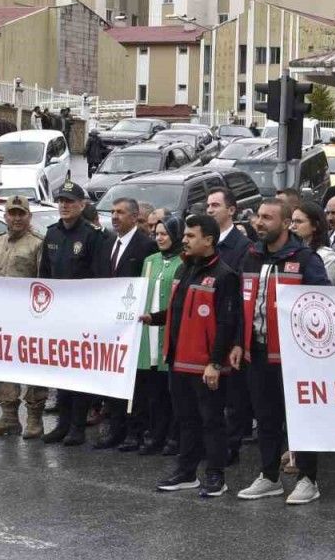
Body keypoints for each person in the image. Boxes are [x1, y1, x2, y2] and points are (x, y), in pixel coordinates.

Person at [235, 199, 330, 505]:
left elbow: (322, 302)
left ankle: (307, 479)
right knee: (266, 417)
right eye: (257, 217)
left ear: (286, 223)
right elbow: (239, 305)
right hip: (258, 352)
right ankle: (269, 476)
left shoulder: (305, 259)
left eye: (267, 218)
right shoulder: (250, 257)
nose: (258, 223)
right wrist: (239, 343)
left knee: (300, 417)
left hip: (294, 356)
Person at [145, 214, 241, 498]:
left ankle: (215, 475)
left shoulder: (225, 276)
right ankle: (187, 473)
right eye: (184, 236)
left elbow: (227, 323)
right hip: (179, 361)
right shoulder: (185, 269)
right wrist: (154, 318)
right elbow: (179, 310)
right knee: (186, 419)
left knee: (211, 421)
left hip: (205, 365)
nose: (183, 240)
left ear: (208, 240)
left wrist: (214, 362)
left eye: (190, 236)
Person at [39, 180, 109, 446]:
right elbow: (44, 274)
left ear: (82, 205)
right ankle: (63, 423)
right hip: (58, 315)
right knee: (60, 371)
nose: (64, 206)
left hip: (83, 315)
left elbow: (100, 277)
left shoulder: (93, 236)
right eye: (61, 201)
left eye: (70, 202)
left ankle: (78, 426)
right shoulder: (52, 234)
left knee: (80, 372)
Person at [0, 196, 46, 440]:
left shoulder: (38, 244)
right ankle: (8, 417)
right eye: (12, 213)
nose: (17, 218)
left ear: (29, 216)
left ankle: (34, 418)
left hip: (29, 318)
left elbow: (43, 281)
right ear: (5, 216)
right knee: (2, 365)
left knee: (33, 366)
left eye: (22, 214)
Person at [97, 197, 160, 451]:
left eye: (120, 212)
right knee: (113, 377)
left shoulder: (146, 246)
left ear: (135, 217)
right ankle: (116, 428)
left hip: (134, 322)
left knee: (136, 382)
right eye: (112, 212)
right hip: (111, 323)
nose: (114, 216)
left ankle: (136, 430)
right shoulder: (109, 243)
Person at [207, 188, 252, 462]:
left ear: (231, 210)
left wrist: (237, 338)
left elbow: (240, 294)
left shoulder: (241, 247)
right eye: (208, 205)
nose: (210, 210)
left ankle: (231, 446)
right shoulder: (207, 242)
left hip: (230, 323)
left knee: (233, 394)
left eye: (216, 205)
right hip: (207, 326)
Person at [135, 215, 183, 456]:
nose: (160, 237)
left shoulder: (184, 261)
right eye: (157, 233)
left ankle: (174, 437)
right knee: (153, 392)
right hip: (149, 336)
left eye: (165, 233)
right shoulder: (150, 261)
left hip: (169, 334)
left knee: (172, 393)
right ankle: (155, 434)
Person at [291, 201, 335, 284]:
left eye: (299, 222)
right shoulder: (290, 252)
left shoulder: (326, 255)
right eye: (292, 221)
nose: (292, 226)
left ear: (315, 225)